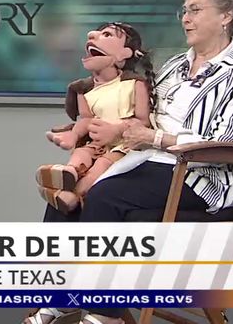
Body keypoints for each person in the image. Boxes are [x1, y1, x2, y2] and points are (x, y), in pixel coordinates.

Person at [24, 0, 233, 324]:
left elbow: (225, 143)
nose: (186, 19)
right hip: (143, 160)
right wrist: (107, 127)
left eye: (196, 10)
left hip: (199, 178)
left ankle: (104, 313)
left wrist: (153, 138)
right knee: (67, 194)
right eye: (184, 11)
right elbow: (139, 114)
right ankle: (61, 296)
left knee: (105, 195)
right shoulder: (173, 68)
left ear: (226, 16)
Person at [36, 22, 153, 213]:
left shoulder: (134, 84)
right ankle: (69, 173)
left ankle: (73, 196)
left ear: (124, 53)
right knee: (81, 153)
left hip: (124, 145)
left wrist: (117, 129)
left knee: (101, 165)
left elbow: (143, 121)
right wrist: (74, 135)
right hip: (96, 143)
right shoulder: (83, 89)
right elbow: (85, 119)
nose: (91, 35)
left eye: (107, 35)